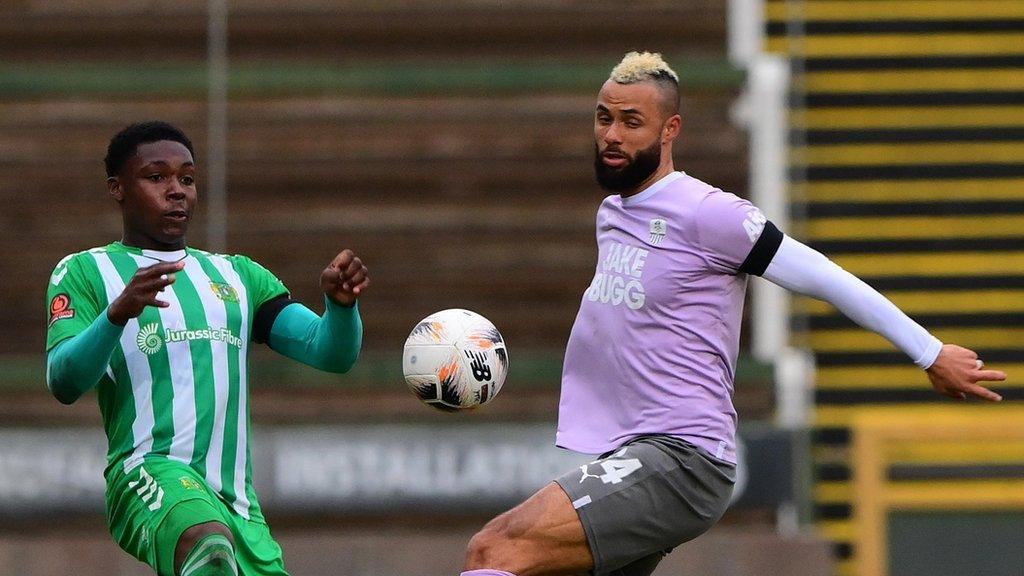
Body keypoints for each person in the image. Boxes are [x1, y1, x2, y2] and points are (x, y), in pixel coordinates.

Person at [460, 51, 1006, 576]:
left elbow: (826, 277)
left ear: (670, 129)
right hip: (637, 451)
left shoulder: (709, 214)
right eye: (604, 119)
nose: (612, 135)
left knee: (494, 550)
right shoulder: (615, 212)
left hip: (684, 458)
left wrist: (929, 352)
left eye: (632, 122)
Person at [45, 121, 369, 576]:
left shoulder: (237, 276)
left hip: (237, 505)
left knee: (216, 542)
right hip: (148, 476)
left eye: (187, 178)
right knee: (207, 541)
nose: (176, 190)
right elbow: (63, 379)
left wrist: (339, 308)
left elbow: (330, 354)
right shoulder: (85, 272)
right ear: (118, 189)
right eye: (157, 178)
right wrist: (116, 315)